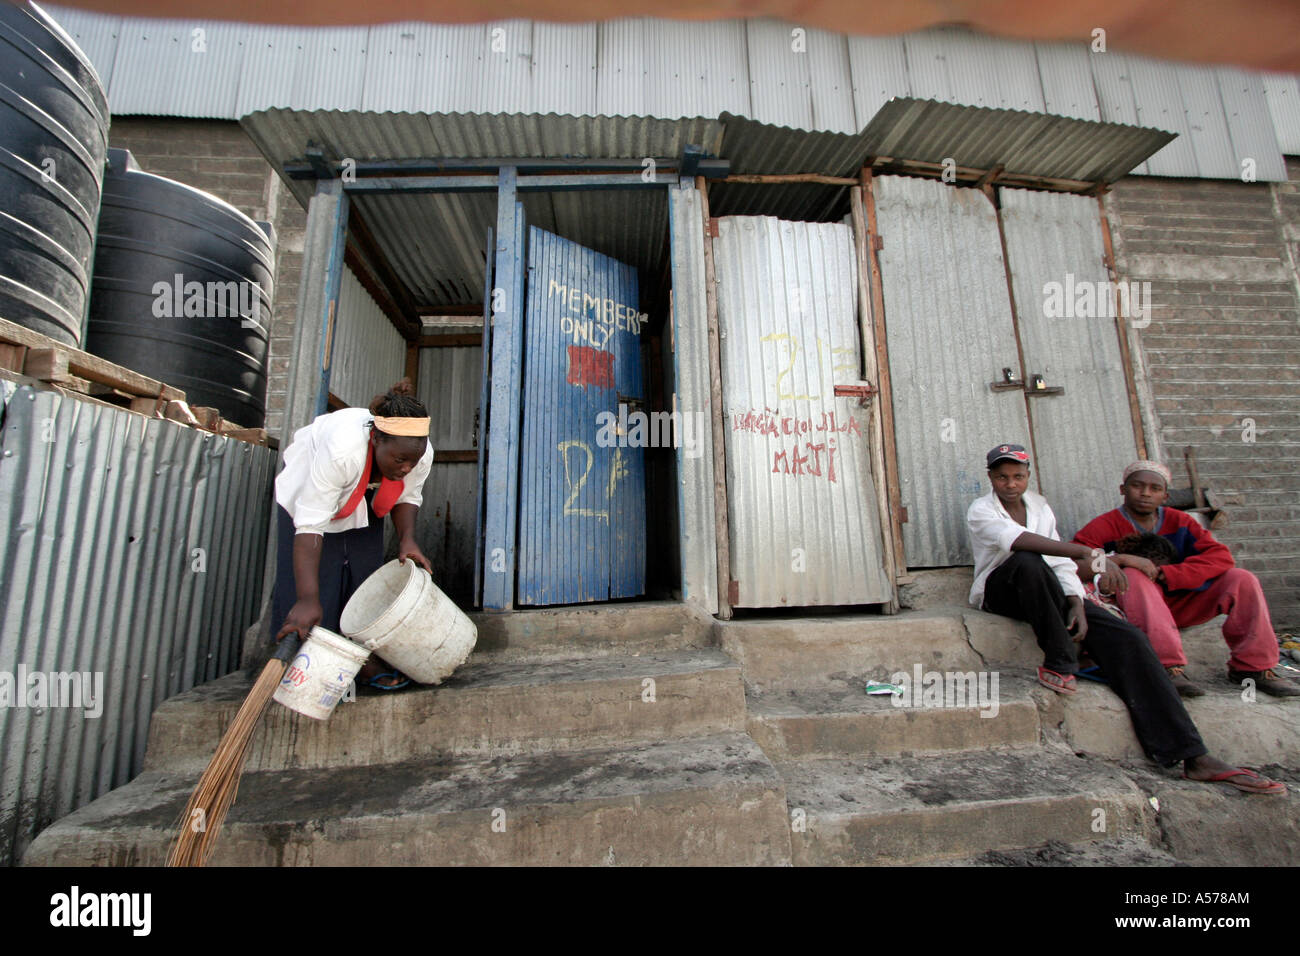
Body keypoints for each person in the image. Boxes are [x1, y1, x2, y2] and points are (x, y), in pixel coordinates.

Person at [966, 443, 1285, 794]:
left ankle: (1193, 756)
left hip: (1049, 590)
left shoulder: (1040, 506)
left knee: (1130, 639)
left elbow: (1059, 565)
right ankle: (1060, 661)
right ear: (991, 478)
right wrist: (1086, 552)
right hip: (1003, 590)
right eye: (1002, 477)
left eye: (1018, 476)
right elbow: (1019, 541)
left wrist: (1075, 598)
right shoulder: (981, 510)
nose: (1010, 484)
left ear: (1028, 477)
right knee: (1028, 560)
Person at [1073, 461, 1299, 699]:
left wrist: (1167, 574)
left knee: (1242, 579)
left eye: (1154, 488)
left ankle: (1253, 669)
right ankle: (1167, 667)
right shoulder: (1104, 526)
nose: (1145, 493)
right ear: (1123, 489)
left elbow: (1220, 557)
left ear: (1165, 495)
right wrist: (1120, 560)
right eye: (1137, 486)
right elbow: (1074, 563)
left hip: (1179, 604)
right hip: (1133, 610)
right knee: (1134, 575)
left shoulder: (1181, 522)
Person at [272, 380, 435, 690]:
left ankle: (363, 660)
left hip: (365, 488)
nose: (406, 468)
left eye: (412, 462)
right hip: (313, 484)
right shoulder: (342, 451)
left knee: (364, 572)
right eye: (399, 460)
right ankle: (307, 665)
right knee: (320, 580)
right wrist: (307, 598)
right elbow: (310, 526)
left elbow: (408, 496)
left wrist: (407, 539)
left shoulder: (418, 451)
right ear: (375, 439)